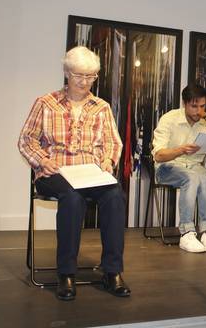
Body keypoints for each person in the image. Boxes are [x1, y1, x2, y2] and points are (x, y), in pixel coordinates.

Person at [18, 46, 131, 300]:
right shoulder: (46, 103)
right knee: (71, 196)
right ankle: (66, 273)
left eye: (91, 76)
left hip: (91, 172)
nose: (84, 82)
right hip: (55, 172)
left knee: (115, 195)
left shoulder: (101, 107)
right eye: (79, 75)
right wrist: (42, 160)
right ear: (67, 73)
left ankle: (112, 271)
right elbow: (26, 140)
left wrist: (108, 161)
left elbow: (113, 142)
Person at [151, 84, 206, 253]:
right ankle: (187, 232)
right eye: (194, 106)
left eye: (203, 106)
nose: (199, 111)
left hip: (195, 166)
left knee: (205, 177)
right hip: (167, 167)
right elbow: (158, 155)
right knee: (192, 177)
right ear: (184, 104)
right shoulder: (169, 119)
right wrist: (181, 150)